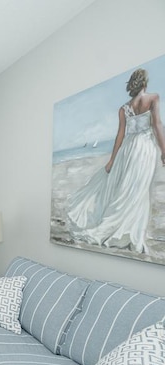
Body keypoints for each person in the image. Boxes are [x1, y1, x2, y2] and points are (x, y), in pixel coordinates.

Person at [67, 68, 165, 253]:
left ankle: (126, 228)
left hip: (127, 150)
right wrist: (164, 151)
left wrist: (113, 159)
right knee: (138, 190)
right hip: (144, 148)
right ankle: (130, 231)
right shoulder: (153, 98)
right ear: (145, 83)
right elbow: (157, 124)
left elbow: (120, 136)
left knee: (125, 188)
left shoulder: (124, 108)